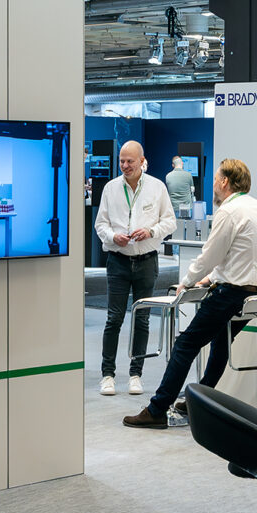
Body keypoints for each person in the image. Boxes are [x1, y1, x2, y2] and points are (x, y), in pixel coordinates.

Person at [126, 158, 257, 429]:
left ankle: (157, 409)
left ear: (224, 182)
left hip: (233, 294)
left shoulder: (228, 211)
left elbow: (210, 254)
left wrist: (187, 281)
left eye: (216, 178)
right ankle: (202, 399)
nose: (214, 184)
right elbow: (239, 255)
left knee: (185, 345)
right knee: (220, 342)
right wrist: (210, 278)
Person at [94, 141, 176, 397]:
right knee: (113, 318)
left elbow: (170, 221)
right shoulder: (110, 188)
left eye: (130, 161)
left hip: (146, 261)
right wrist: (112, 237)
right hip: (118, 261)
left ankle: (135, 374)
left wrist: (151, 231)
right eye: (122, 161)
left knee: (141, 319)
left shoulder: (157, 187)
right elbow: (100, 224)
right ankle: (107, 375)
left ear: (142, 161)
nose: (125, 166)